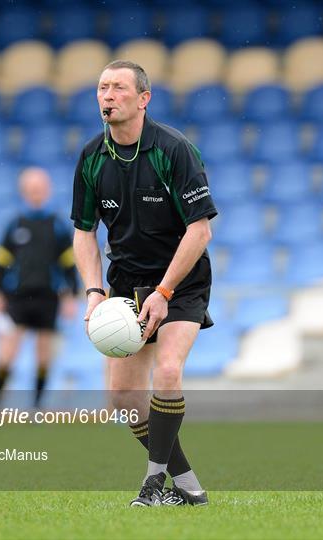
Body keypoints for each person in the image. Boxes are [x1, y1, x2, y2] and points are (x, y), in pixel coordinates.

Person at [71, 61, 217, 507]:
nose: (107, 95)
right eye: (101, 88)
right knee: (122, 397)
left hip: (181, 279)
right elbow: (83, 232)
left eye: (117, 87)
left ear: (143, 98)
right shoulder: (92, 157)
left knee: (168, 371)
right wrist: (95, 291)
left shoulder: (174, 150)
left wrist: (164, 292)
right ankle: (189, 486)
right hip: (125, 283)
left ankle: (152, 484)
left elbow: (200, 231)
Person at [0, 167, 79, 409]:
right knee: (7, 354)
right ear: (24, 192)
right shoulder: (14, 225)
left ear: (47, 190)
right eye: (31, 190)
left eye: (40, 189)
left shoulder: (58, 226)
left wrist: (71, 295)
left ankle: (36, 407)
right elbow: (1, 261)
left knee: (43, 356)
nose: (36, 193)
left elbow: (69, 262)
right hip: (17, 298)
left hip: (48, 298)